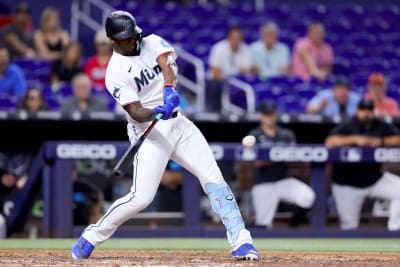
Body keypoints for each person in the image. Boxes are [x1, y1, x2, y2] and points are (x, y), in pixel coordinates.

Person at [71, 10, 259, 261]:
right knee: (141, 199)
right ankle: (92, 236)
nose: (133, 40)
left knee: (213, 178)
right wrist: (155, 111)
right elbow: (135, 112)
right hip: (149, 133)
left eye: (133, 35)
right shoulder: (114, 73)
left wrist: (169, 89)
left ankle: (241, 241)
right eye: (125, 38)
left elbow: (166, 63)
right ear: (112, 40)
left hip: (179, 125)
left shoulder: (151, 41)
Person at [325, 99, 400, 230]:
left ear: (373, 112)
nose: (366, 114)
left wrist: (381, 141)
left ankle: (395, 230)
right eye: (363, 110)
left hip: (375, 180)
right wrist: (354, 138)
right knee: (349, 227)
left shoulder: (380, 125)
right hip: (347, 185)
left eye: (369, 111)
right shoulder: (348, 125)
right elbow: (330, 141)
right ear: (357, 111)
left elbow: (398, 138)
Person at [243, 100, 315, 228]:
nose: (270, 117)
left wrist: (272, 157)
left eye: (272, 114)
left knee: (307, 196)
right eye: (267, 114)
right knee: (263, 224)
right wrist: (278, 155)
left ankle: (291, 228)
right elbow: (258, 163)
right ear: (261, 115)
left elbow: (295, 156)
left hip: (283, 180)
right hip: (263, 183)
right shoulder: (255, 135)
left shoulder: (286, 134)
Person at [206, 26, 253, 112]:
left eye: (238, 38)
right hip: (220, 80)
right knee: (214, 85)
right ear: (229, 38)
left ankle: (244, 112)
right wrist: (228, 81)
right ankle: (214, 111)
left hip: (237, 80)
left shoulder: (245, 49)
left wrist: (236, 79)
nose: (236, 40)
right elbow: (215, 71)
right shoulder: (219, 48)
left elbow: (247, 71)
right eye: (234, 37)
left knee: (248, 85)